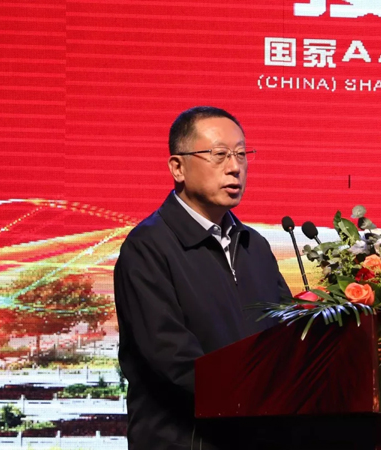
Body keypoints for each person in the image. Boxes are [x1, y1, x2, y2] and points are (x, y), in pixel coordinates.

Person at [114, 106, 291, 450]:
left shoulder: (254, 245)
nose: (235, 167)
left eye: (241, 154)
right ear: (177, 167)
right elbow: (172, 357)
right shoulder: (148, 247)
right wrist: (259, 394)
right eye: (219, 154)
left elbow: (284, 336)